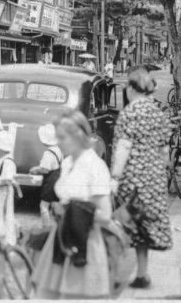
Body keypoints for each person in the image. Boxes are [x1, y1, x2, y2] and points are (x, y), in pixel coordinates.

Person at [32, 109, 113, 299]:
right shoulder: (68, 162)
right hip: (61, 238)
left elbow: (105, 215)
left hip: (84, 243)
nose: (58, 142)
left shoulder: (94, 165)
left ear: (78, 136)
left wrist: (73, 210)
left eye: (62, 137)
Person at [110, 66, 173, 290]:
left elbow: (123, 147)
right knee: (143, 228)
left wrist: (115, 178)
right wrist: (157, 171)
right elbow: (165, 152)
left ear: (131, 89)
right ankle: (142, 274)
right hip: (154, 179)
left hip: (132, 179)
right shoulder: (158, 113)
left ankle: (116, 276)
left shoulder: (129, 113)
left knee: (121, 225)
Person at [29, 124, 63, 228]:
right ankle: (58, 227)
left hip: (51, 181)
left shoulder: (48, 153)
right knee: (54, 205)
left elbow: (45, 169)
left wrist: (34, 170)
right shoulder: (58, 149)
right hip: (58, 179)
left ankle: (46, 228)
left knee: (43, 206)